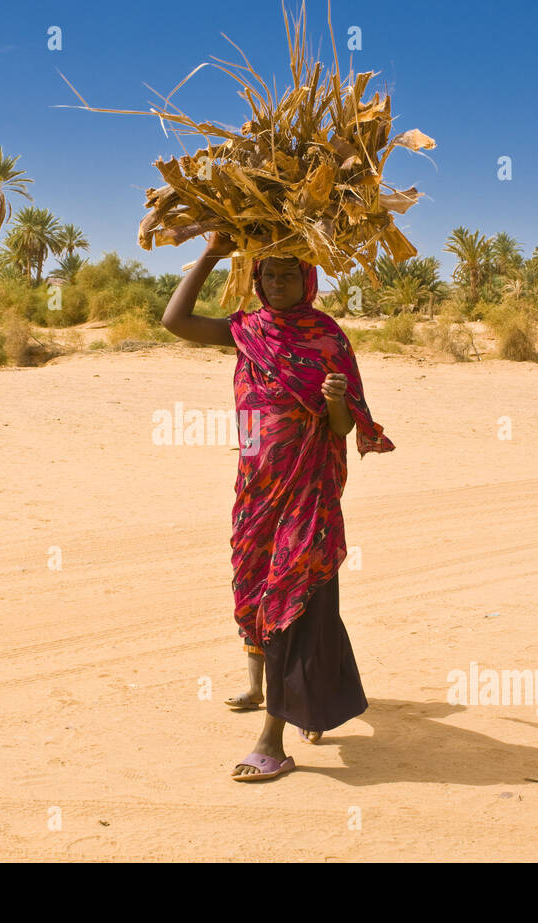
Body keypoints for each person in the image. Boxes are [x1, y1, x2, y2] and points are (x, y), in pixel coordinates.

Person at [161, 231, 394, 781]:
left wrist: (336, 403)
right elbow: (174, 321)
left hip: (307, 493)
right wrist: (213, 254)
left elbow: (343, 428)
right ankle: (295, 693)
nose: (279, 282)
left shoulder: (327, 337)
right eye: (269, 274)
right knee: (254, 583)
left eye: (290, 273)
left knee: (293, 596)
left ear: (308, 279)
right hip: (256, 489)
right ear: (256, 279)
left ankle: (273, 736)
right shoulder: (246, 331)